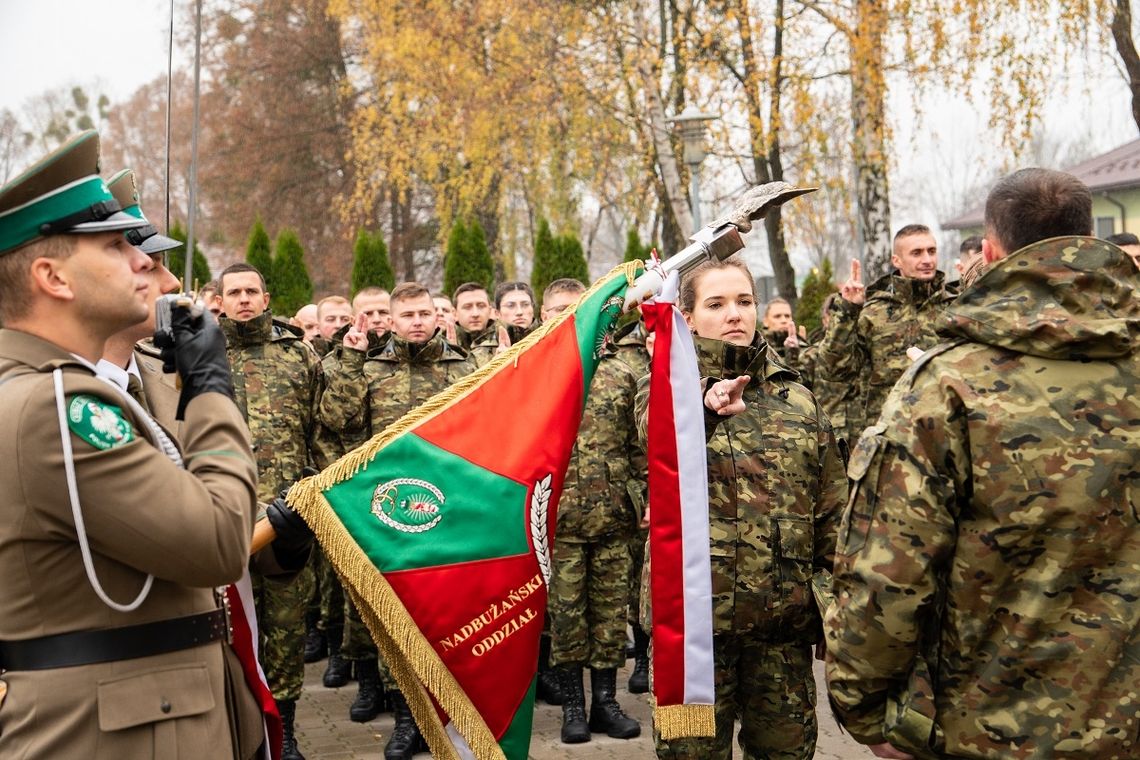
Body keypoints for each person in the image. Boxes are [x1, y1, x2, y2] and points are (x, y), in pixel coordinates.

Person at [826, 168, 1140, 760]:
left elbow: (887, 577)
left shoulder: (947, 386)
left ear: (989, 253)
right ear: (1090, 236)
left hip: (992, 728)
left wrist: (871, 713)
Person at [0, 132, 258, 758]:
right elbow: (219, 541)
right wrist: (210, 388)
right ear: (52, 276)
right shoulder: (58, 409)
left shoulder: (43, 391)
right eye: (116, 245)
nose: (144, 260)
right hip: (119, 732)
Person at [97, 168, 313, 759]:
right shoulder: (60, 405)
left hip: (209, 685)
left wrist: (279, 545)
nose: (168, 279)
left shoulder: (161, 381)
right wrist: (212, 387)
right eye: (136, 257)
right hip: (131, 706)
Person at [637, 257, 847, 760]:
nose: (735, 314)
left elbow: (831, 513)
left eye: (744, 301)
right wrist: (702, 412)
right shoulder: (665, 391)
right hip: (694, 638)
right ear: (686, 317)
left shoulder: (797, 398)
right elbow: (652, 444)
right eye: (716, 304)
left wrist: (833, 608)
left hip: (782, 629)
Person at [319, 281, 474, 760]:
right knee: (400, 621)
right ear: (391, 319)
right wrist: (348, 360)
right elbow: (337, 419)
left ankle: (454, 719)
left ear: (436, 315)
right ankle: (409, 719)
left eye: (424, 313)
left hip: (448, 513)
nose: (417, 323)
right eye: (406, 315)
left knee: (449, 620)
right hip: (390, 516)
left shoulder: (462, 367)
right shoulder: (370, 369)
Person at [217, 261, 325, 760]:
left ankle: (287, 733)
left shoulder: (298, 356)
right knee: (227, 628)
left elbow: (320, 435)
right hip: (221, 519)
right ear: (219, 301)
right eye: (233, 292)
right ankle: (239, 731)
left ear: (266, 298)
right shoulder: (199, 356)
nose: (242, 299)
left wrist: (314, 500)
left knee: (285, 629)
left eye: (250, 291)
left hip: (287, 520)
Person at [543, 278, 642, 743]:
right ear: (544, 317)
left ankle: (605, 703)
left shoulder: (619, 370)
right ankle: (572, 708)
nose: (567, 315)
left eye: (575, 308)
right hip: (556, 524)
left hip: (613, 519)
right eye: (557, 309)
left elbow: (639, 444)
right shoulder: (531, 373)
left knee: (608, 618)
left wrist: (642, 496)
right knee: (565, 620)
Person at [814, 224, 956, 437]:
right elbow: (834, 370)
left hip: (946, 431)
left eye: (931, 251)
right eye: (916, 253)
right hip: (892, 436)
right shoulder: (874, 313)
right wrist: (847, 311)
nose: (927, 259)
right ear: (896, 260)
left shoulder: (955, 309)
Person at [452, 281, 494, 351]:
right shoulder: (442, 346)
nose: (475, 314)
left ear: (490, 311)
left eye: (481, 306)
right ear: (455, 314)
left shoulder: (509, 339)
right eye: (467, 307)